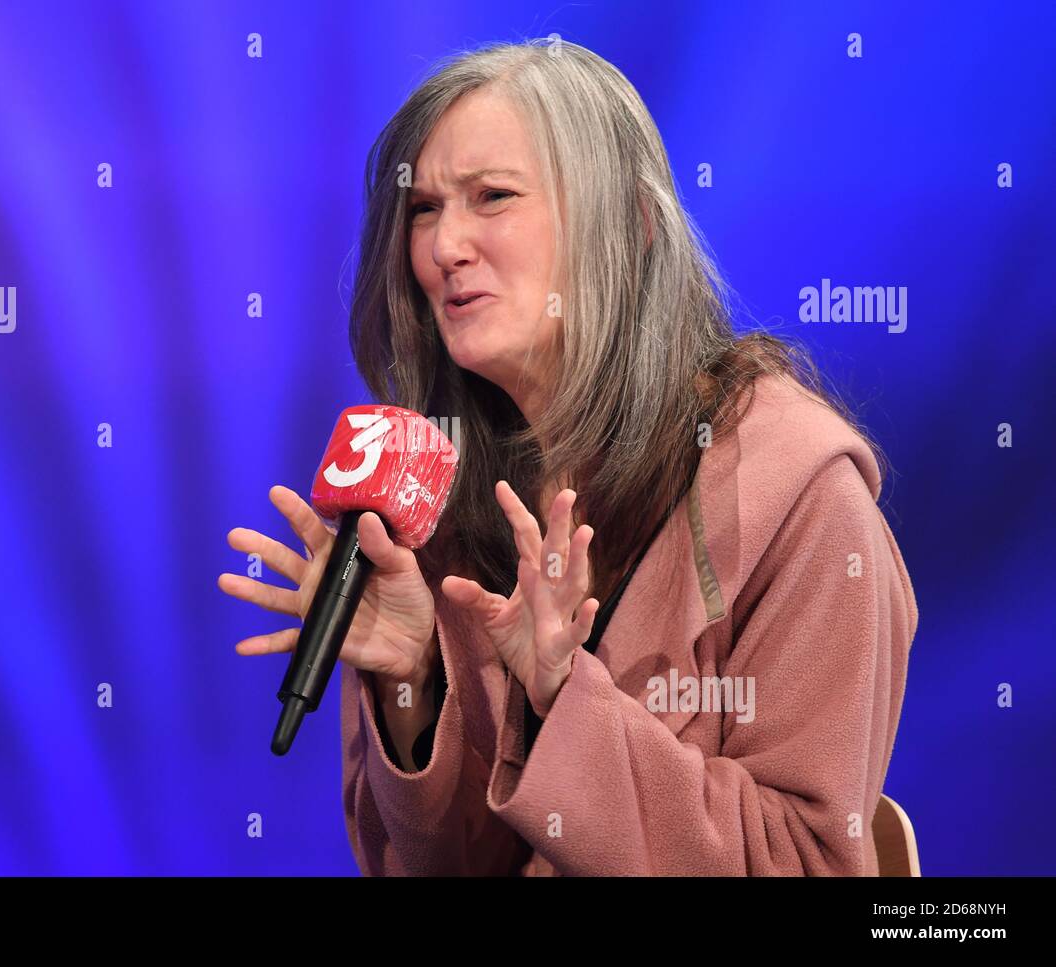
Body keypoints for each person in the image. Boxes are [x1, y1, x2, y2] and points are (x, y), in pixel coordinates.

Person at [217, 38, 917, 875]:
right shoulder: (430, 497)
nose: (444, 247)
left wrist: (562, 705)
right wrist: (414, 680)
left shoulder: (801, 501)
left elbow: (807, 862)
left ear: (634, 225)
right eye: (426, 207)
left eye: (492, 197)